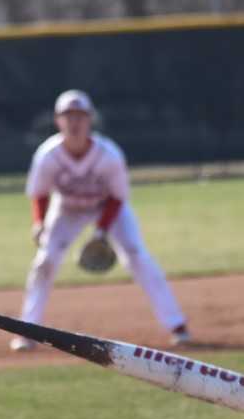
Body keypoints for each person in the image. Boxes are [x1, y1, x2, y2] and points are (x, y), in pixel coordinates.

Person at [11, 89, 189, 351]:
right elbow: (39, 193)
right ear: (58, 120)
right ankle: (27, 331)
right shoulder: (48, 155)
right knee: (45, 261)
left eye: (80, 116)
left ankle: (177, 325)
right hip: (67, 209)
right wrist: (39, 223)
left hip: (108, 208)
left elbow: (118, 198)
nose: (74, 122)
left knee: (137, 255)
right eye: (68, 116)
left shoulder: (109, 155)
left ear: (90, 120)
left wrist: (101, 232)